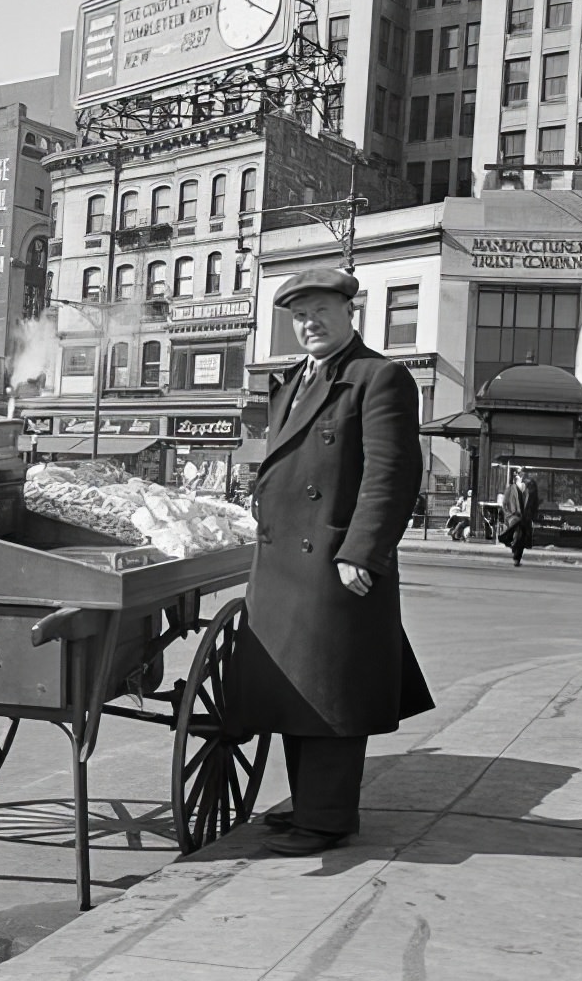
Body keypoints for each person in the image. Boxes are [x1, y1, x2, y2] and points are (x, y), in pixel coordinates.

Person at [230, 266, 434, 857]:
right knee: (296, 687)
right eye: (299, 315)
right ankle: (311, 804)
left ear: (351, 314)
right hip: (284, 563)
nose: (310, 324)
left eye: (321, 311)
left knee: (330, 692)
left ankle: (328, 820)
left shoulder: (380, 378)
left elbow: (390, 476)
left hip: (332, 562)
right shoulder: (292, 379)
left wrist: (362, 552)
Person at [498, 468, 538, 566]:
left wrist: (531, 516)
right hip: (514, 516)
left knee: (522, 536)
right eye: (521, 474)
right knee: (518, 534)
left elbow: (534, 504)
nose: (523, 477)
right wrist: (509, 514)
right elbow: (505, 503)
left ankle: (517, 555)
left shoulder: (531, 489)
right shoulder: (511, 488)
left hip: (525, 517)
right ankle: (514, 550)